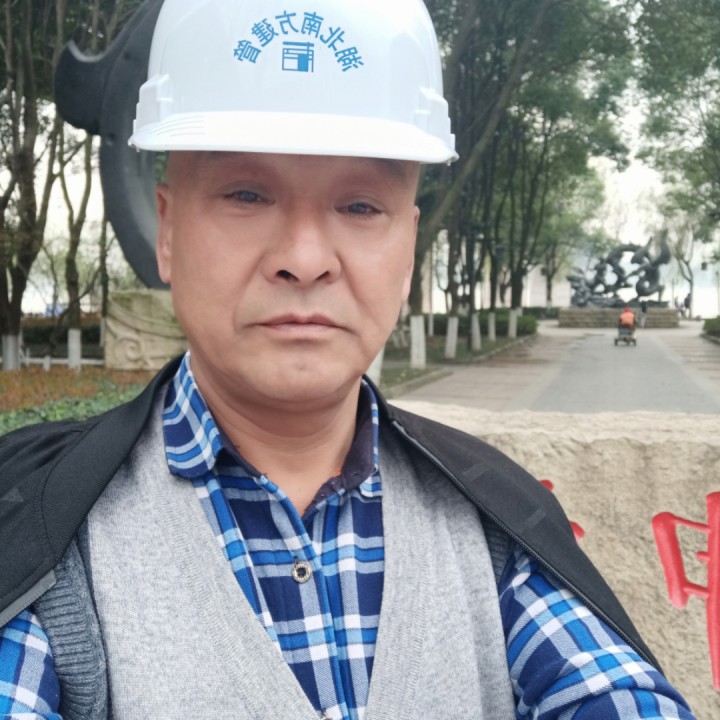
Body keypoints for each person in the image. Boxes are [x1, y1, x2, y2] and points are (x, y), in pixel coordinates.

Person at [0, 1, 695, 718]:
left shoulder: (496, 524)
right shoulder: (43, 532)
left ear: (408, 249)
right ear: (168, 231)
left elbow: (613, 694)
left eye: (360, 206)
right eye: (247, 194)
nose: (305, 260)